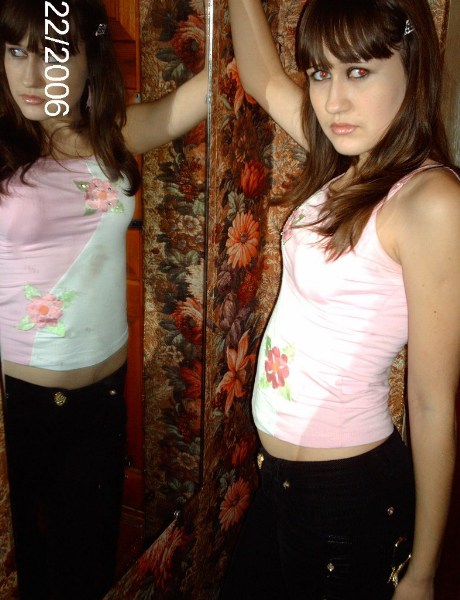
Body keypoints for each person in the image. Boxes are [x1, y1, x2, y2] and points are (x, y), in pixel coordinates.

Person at [223, 0, 460, 598]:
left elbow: (432, 402)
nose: (333, 102)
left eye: (358, 71)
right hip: (281, 481)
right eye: (320, 73)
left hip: (345, 497)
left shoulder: (430, 200)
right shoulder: (350, 161)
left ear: (412, 66)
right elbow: (263, 78)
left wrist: (423, 572)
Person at [0, 0, 207, 598]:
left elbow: (210, 90)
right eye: (16, 51)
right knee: (27, 575)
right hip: (18, 406)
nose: (33, 75)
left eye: (55, 53)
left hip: (103, 400)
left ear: (90, 58)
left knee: (86, 569)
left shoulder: (113, 136)